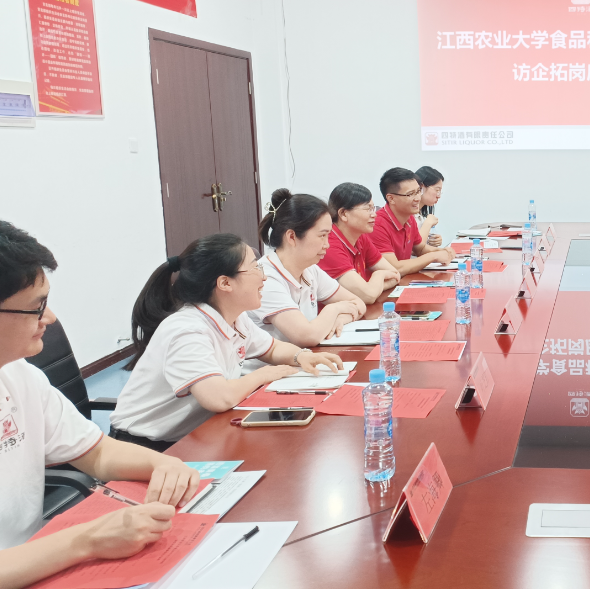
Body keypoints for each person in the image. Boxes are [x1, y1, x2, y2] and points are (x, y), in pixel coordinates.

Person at [0, 221, 201, 587]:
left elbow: (96, 453)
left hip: (39, 565)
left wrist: (164, 464)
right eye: (37, 307)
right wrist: (87, 540)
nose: (50, 318)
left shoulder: (19, 375)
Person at [109, 234, 344, 449]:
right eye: (255, 267)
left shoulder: (234, 317)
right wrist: (264, 374)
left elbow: (271, 348)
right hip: (142, 447)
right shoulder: (187, 331)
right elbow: (219, 397)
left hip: (193, 436)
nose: (263, 276)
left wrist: (301, 357)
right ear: (225, 283)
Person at [249, 189, 367, 347]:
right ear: (292, 237)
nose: (327, 244)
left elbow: (358, 303)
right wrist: (334, 309)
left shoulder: (309, 270)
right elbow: (306, 336)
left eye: (328, 235)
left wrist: (341, 318)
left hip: (304, 357)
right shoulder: (266, 279)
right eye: (322, 235)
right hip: (275, 362)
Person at [319, 182, 401, 304]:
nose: (374, 214)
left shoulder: (361, 237)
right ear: (343, 214)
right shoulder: (329, 245)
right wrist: (378, 275)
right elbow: (368, 296)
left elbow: (395, 275)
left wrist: (372, 288)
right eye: (368, 209)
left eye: (373, 208)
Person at [369, 167, 455, 276]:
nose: (418, 198)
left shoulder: (409, 218)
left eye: (418, 191)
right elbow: (395, 268)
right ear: (391, 198)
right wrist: (434, 256)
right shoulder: (377, 225)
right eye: (410, 194)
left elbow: (420, 249)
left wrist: (443, 252)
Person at [415, 166, 444, 247]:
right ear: (421, 187)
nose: (439, 196)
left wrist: (434, 241)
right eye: (437, 190)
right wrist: (428, 223)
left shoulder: (421, 214)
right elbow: (417, 247)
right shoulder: (407, 214)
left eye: (440, 191)